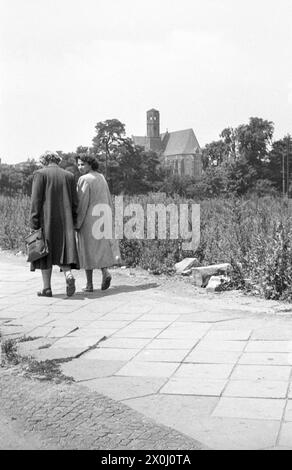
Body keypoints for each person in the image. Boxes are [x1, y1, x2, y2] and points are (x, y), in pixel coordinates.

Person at [30, 151, 79, 297]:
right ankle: (68, 275)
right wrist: (75, 221)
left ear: (44, 160)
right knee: (63, 251)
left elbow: (36, 201)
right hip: (66, 221)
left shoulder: (40, 174)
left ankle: (47, 288)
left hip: (46, 220)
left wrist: (34, 222)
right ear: (57, 160)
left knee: (45, 253)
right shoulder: (69, 176)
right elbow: (75, 202)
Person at [76, 155, 120, 292]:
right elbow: (108, 197)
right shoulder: (101, 177)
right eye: (78, 164)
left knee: (87, 250)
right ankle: (105, 272)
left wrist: (77, 222)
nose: (80, 167)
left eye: (82, 164)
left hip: (89, 219)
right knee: (101, 248)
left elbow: (82, 203)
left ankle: (89, 284)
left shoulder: (84, 179)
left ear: (89, 164)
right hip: (103, 216)